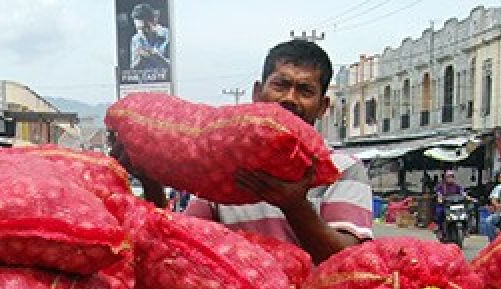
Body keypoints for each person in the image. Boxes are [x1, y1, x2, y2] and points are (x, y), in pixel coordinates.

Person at [116, 38, 373, 263]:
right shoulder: (223, 163)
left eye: (305, 91)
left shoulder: (342, 169)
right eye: (280, 85)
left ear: (322, 106)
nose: (290, 99)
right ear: (257, 94)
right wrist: (150, 181)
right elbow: (182, 243)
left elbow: (350, 261)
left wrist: (295, 207)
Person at [129, 4, 170, 71]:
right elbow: (133, 68)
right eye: (138, 29)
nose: (141, 34)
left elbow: (176, 66)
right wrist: (140, 59)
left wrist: (157, 57)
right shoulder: (135, 39)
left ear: (153, 21)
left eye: (144, 29)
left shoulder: (167, 35)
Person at [434, 169, 465, 237]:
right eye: (448, 177)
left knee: (466, 212)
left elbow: (462, 193)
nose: (450, 179)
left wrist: (466, 197)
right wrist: (440, 198)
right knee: (439, 212)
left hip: (455, 205)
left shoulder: (457, 186)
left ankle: (466, 229)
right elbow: (438, 193)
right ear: (445, 178)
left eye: (452, 177)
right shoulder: (441, 187)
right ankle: (439, 228)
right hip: (445, 205)